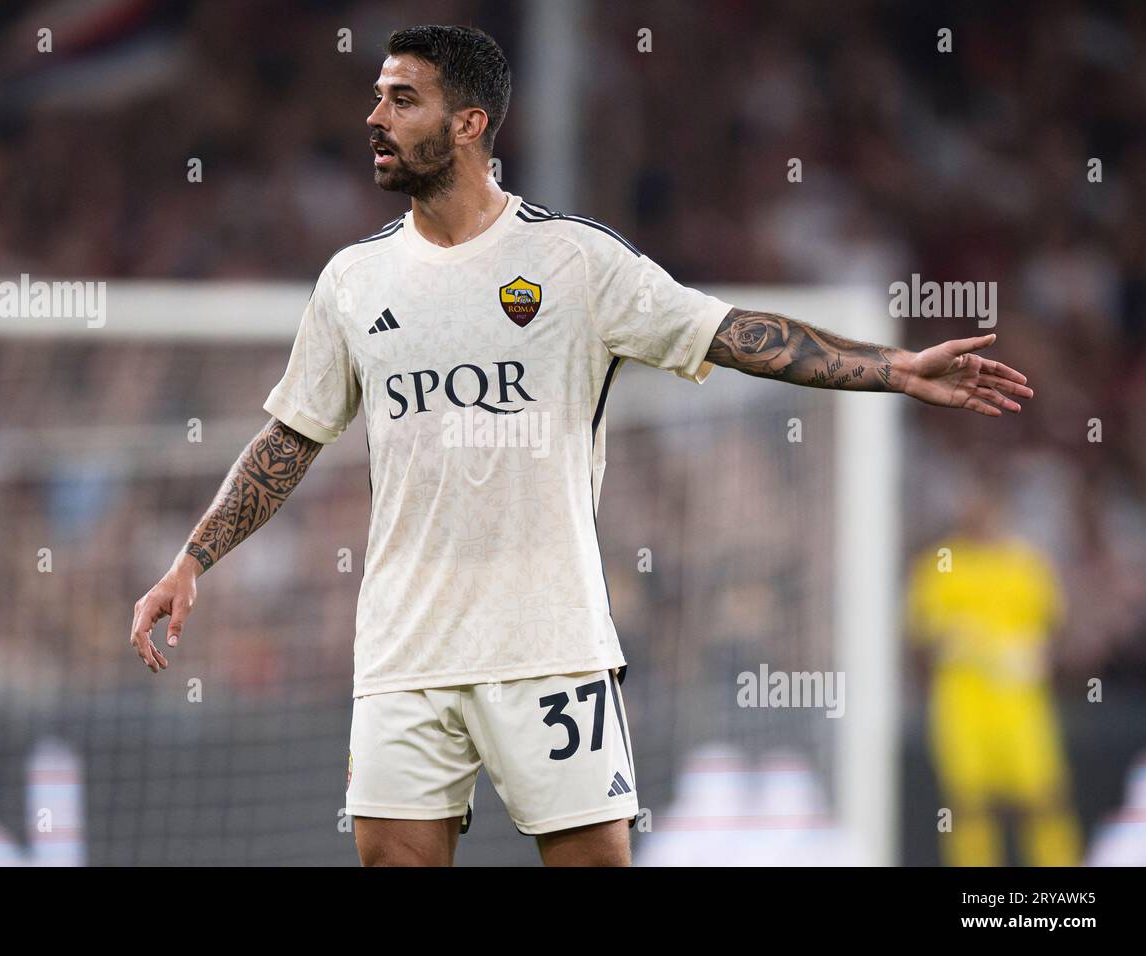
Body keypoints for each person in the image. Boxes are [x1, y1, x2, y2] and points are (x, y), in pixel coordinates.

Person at [129, 24, 1033, 866]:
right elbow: (291, 436)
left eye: (402, 99)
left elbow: (730, 332)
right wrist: (193, 558)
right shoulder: (352, 282)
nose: (374, 118)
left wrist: (894, 369)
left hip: (549, 642)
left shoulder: (574, 262)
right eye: (377, 96)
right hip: (406, 647)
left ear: (470, 121)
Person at [906, 488, 1080, 866]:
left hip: (1020, 705)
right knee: (968, 804)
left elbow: (1057, 629)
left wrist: (1039, 654)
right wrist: (959, 643)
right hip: (963, 705)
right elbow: (922, 637)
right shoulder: (942, 563)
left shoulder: (1026, 564)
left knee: (1043, 798)